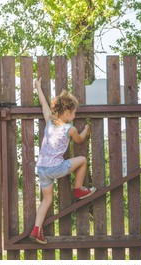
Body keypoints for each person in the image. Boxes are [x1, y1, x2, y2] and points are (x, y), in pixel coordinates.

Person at [30, 77, 96, 245]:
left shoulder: (49, 121)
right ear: (67, 112)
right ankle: (78, 189)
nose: (74, 116)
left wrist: (38, 86)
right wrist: (87, 129)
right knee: (82, 160)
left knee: (47, 200)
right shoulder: (70, 128)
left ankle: (37, 230)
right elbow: (79, 140)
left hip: (42, 169)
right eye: (74, 113)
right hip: (55, 168)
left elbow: (44, 104)